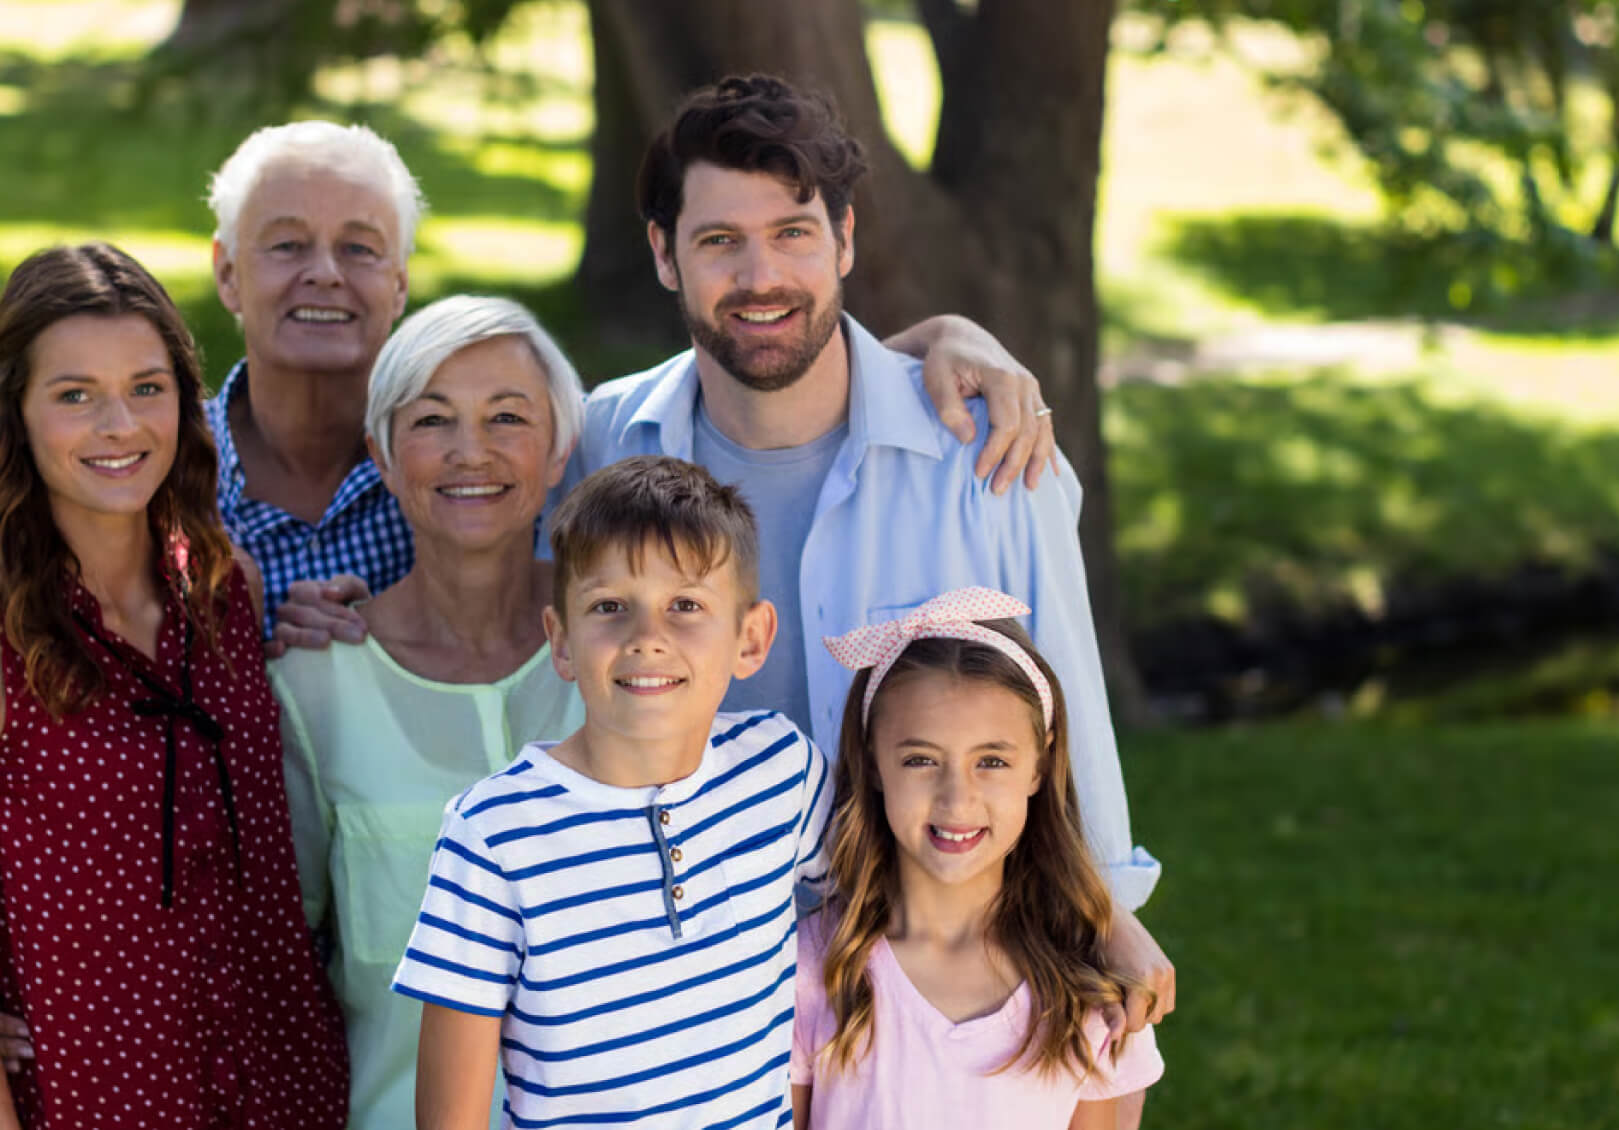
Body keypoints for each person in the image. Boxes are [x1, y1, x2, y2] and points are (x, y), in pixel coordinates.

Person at [560, 76, 1177, 1049]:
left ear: (845, 239)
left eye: (794, 233)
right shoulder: (607, 435)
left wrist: (1105, 911)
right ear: (664, 256)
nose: (761, 275)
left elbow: (1069, 706)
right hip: (684, 970)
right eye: (720, 240)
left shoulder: (988, 452)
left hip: (936, 976)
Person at [0, 122, 1061, 643]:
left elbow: (761, 361)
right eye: (284, 245)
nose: (326, 274)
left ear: (404, 279)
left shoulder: (496, 469)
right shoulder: (155, 473)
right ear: (224, 269)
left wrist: (936, 340)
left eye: (361, 246)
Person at [0, 242, 347, 1129]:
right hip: (97, 1094)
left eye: (147, 387)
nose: (119, 425)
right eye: (74, 395)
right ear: (16, 412)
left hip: (289, 1086)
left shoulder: (226, 593)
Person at [394, 455, 830, 1130]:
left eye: (685, 605)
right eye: (609, 608)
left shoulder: (783, 771)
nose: (647, 638)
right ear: (561, 642)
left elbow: (892, 920)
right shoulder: (493, 836)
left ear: (751, 639)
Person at [271, 295, 588, 1129]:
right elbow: (280, 959)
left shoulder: (629, 657)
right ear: (380, 453)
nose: (469, 452)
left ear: (558, 451)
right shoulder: (313, 684)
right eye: (433, 421)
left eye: (508, 417)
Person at [791, 588, 1162, 1129]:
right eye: (920, 760)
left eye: (991, 760)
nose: (956, 799)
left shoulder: (1092, 987)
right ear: (872, 762)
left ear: (1039, 764)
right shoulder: (815, 969)